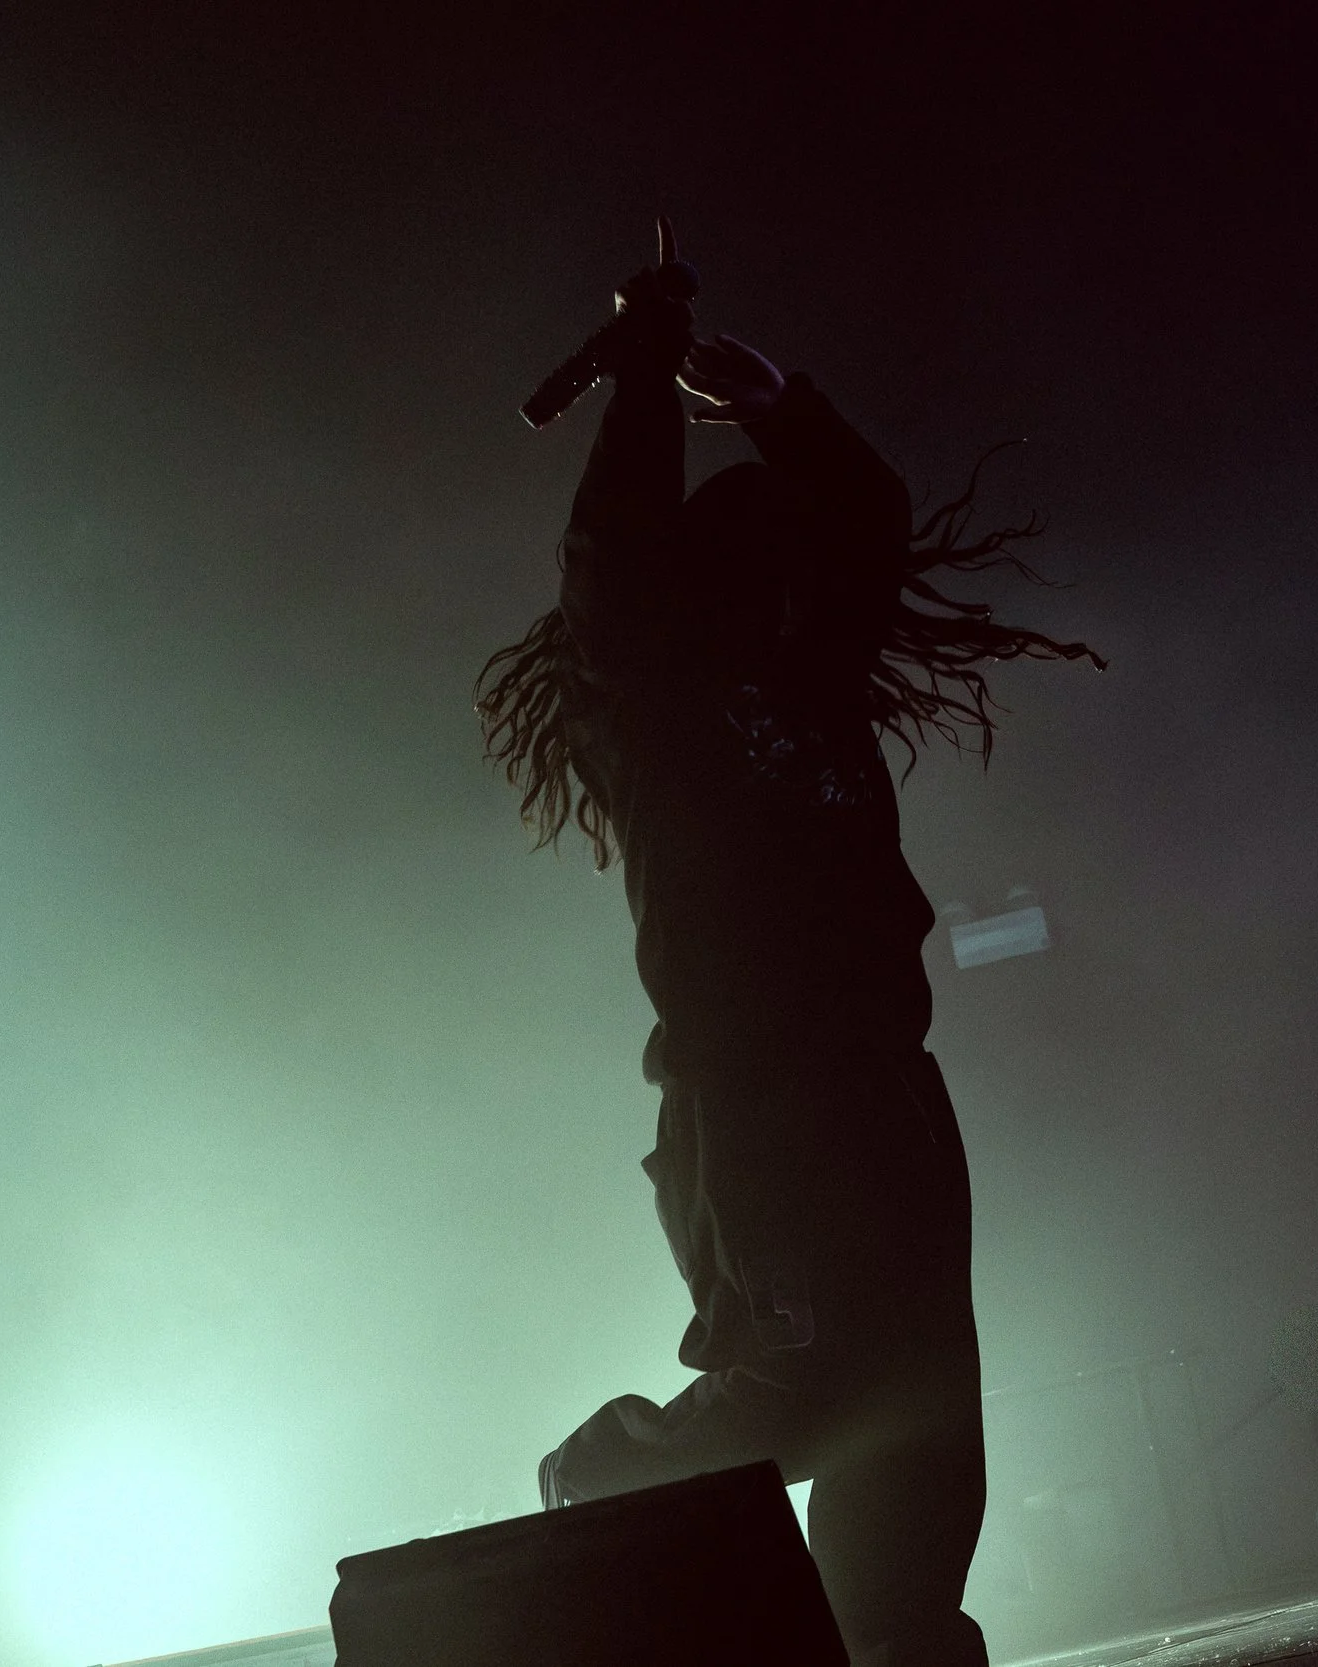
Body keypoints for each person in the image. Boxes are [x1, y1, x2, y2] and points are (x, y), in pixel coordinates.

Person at [476, 238, 1097, 1667]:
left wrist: (772, 401)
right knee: (808, 1377)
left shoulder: (812, 684)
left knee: (925, 1401)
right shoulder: (652, 707)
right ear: (705, 583)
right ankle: (607, 1478)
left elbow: (868, 521)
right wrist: (638, 368)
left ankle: (899, 1643)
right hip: (748, 1100)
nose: (796, 577)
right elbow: (614, 550)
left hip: (886, 1079)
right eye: (758, 556)